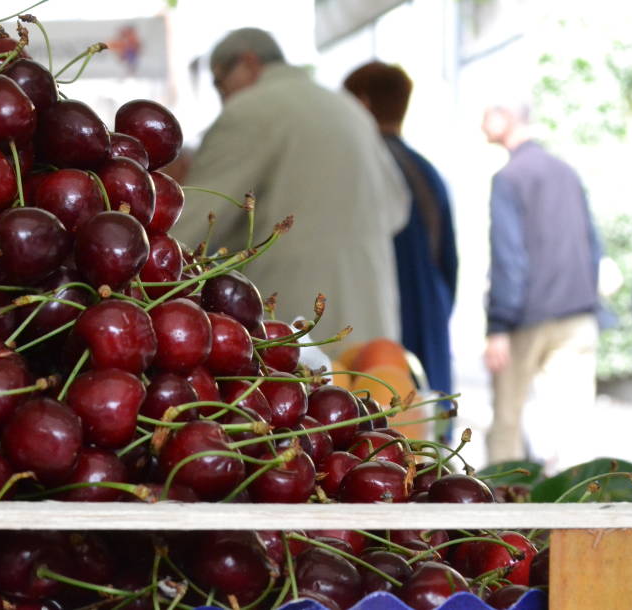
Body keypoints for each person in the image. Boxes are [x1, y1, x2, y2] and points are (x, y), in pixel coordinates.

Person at [173, 28, 410, 347]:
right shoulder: (348, 108)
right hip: (371, 320)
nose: (222, 96)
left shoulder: (250, 110)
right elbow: (397, 210)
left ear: (248, 63)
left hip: (296, 324)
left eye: (220, 83)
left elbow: (191, 224)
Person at [481, 102, 602, 466]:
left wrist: (498, 324)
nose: (481, 122)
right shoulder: (566, 172)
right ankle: (577, 516)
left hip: (525, 319)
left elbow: (508, 256)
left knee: (507, 425)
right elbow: (593, 245)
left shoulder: (509, 178)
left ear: (504, 118)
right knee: (573, 430)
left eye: (486, 113)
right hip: (577, 315)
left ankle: (503, 513)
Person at [342, 61, 458, 398]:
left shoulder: (367, 167)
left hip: (388, 316)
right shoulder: (428, 171)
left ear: (361, 104)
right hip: (430, 311)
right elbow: (449, 261)